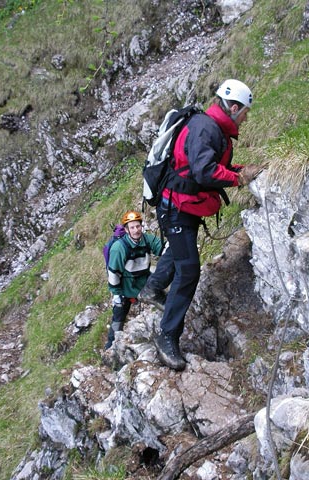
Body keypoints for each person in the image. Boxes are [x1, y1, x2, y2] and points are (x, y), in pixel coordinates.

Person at [138, 79, 265, 370]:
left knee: (180, 251)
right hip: (177, 207)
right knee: (189, 269)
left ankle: (152, 288)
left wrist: (239, 170)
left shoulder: (209, 127)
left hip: (182, 205)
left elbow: (202, 166)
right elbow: (204, 170)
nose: (245, 117)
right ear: (233, 107)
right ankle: (167, 335)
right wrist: (237, 178)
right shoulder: (206, 127)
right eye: (244, 111)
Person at [106, 210, 164, 349]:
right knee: (118, 319)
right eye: (132, 227)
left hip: (144, 282)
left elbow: (161, 247)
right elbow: (114, 273)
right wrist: (116, 294)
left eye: (138, 226)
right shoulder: (119, 248)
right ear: (126, 230)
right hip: (126, 288)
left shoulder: (147, 239)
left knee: (163, 303)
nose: (136, 230)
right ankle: (110, 347)